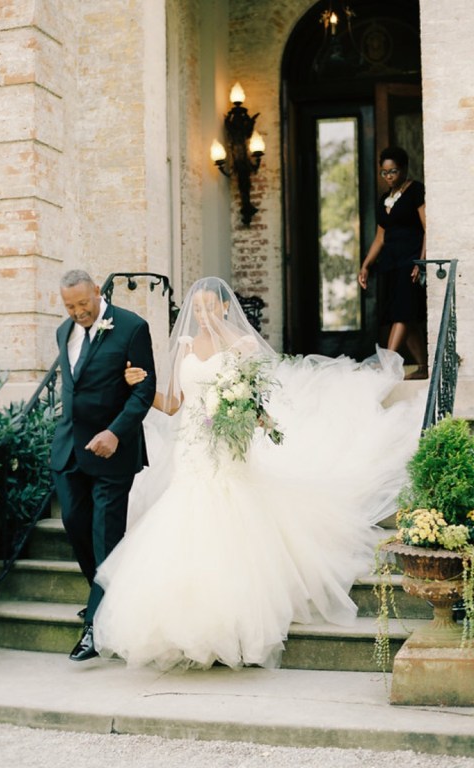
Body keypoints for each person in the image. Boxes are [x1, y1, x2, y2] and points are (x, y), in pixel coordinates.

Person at [94, 277, 423, 670]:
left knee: (231, 523)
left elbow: (255, 403)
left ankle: (234, 626)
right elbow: (172, 405)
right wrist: (143, 386)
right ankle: (186, 626)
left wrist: (245, 419)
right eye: (195, 309)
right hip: (192, 448)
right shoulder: (184, 347)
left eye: (208, 308)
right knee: (187, 523)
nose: (201, 316)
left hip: (228, 448)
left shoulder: (242, 347)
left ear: (224, 308)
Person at [49, 269, 156, 662]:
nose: (78, 312)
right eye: (70, 306)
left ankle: (96, 626)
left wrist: (115, 433)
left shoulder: (132, 327)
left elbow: (144, 389)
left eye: (83, 303)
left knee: (105, 534)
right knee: (75, 524)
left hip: (114, 452)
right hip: (69, 451)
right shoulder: (64, 332)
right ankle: (107, 594)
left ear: (98, 291)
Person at [358, 146, 428, 379]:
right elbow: (380, 237)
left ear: (405, 169)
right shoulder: (384, 200)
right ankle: (423, 366)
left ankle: (387, 365)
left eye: (393, 171)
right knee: (406, 316)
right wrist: (366, 264)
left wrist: (422, 261)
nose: (389, 177)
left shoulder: (416, 191)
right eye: (384, 173)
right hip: (390, 264)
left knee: (402, 314)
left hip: (410, 262)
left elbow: (428, 228)